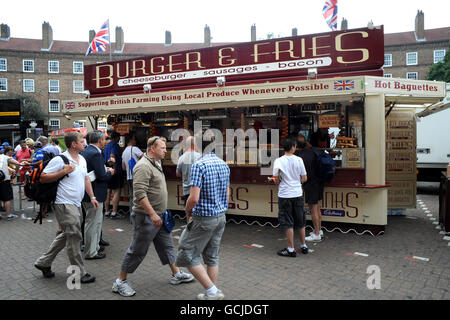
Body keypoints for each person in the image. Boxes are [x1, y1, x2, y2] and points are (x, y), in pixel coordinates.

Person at [112, 136, 194, 297]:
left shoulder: (156, 162)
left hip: (159, 215)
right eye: (162, 148)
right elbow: (140, 194)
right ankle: (120, 282)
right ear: (152, 149)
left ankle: (176, 274)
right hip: (147, 217)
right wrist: (152, 214)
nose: (165, 151)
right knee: (137, 250)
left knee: (167, 245)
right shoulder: (143, 166)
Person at [34, 132, 98, 283]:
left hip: (76, 204)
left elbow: (86, 178)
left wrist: (93, 196)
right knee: (75, 236)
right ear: (73, 144)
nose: (84, 143)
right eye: (81, 141)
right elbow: (42, 177)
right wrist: (63, 171)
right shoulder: (60, 159)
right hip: (63, 203)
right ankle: (79, 273)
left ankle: (43, 262)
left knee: (67, 234)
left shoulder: (81, 159)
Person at [175, 139, 230, 300]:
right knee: (212, 256)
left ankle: (212, 291)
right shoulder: (223, 164)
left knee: (186, 252)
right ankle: (211, 292)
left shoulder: (199, 165)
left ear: (198, 146)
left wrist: (187, 210)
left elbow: (194, 198)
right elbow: (227, 194)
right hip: (220, 217)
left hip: (203, 218)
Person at [273, 137, 308, 257]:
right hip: (297, 193)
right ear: (293, 147)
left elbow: (276, 180)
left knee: (288, 222)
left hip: (284, 195)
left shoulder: (278, 161)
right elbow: (304, 178)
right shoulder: (299, 160)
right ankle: (304, 245)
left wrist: (282, 181)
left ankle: (291, 249)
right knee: (300, 221)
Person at [81, 130, 114, 260]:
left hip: (87, 192)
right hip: (94, 193)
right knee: (93, 223)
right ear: (100, 140)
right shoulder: (95, 154)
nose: (105, 142)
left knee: (91, 222)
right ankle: (91, 251)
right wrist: (110, 172)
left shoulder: (86, 151)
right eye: (104, 140)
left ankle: (94, 248)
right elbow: (101, 175)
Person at [295, 133, 324, 242]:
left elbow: (300, 174)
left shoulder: (300, 157)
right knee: (318, 208)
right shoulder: (312, 152)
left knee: (313, 209)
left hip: (311, 184)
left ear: (296, 145)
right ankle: (319, 230)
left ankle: (316, 233)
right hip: (319, 182)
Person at [121, 133, 143, 215]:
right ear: (131, 140)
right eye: (134, 139)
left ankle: (132, 214)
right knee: (139, 196)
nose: (135, 140)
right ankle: (138, 215)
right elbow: (144, 159)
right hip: (137, 176)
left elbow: (123, 167)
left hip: (129, 177)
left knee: (132, 197)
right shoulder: (135, 149)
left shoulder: (124, 151)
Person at [0, 146, 24, 220]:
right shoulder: (7, 158)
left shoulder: (1, 157)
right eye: (12, 151)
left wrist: (10, 169)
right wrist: (16, 172)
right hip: (4, 180)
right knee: (7, 198)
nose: (13, 153)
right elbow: (18, 164)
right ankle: (8, 215)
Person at [176, 136, 201, 206]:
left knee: (188, 213)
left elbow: (177, 174)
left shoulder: (181, 158)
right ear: (194, 144)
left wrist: (185, 175)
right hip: (197, 191)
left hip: (186, 190)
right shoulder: (199, 156)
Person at [104, 132, 123, 219]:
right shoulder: (115, 145)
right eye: (119, 137)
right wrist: (114, 168)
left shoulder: (107, 145)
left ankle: (107, 211)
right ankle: (114, 212)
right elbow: (112, 156)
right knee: (117, 191)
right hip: (115, 171)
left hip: (107, 170)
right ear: (117, 138)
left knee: (108, 191)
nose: (119, 139)